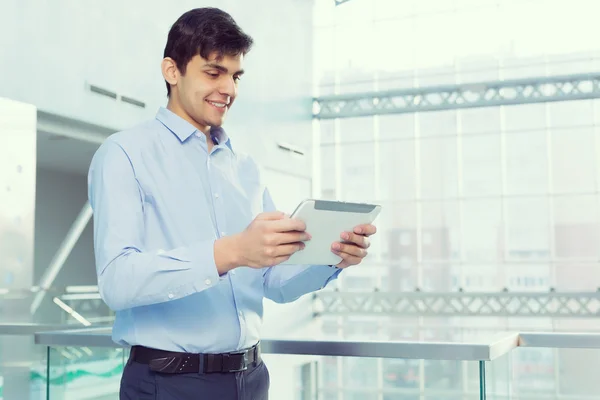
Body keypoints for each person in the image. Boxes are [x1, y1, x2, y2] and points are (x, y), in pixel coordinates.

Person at [88, 7, 377, 400]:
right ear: (172, 71)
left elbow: (272, 282)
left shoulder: (247, 168)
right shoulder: (123, 154)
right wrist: (231, 252)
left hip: (252, 378)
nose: (229, 89)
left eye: (236, 75)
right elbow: (117, 281)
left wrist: (332, 257)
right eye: (213, 72)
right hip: (168, 384)